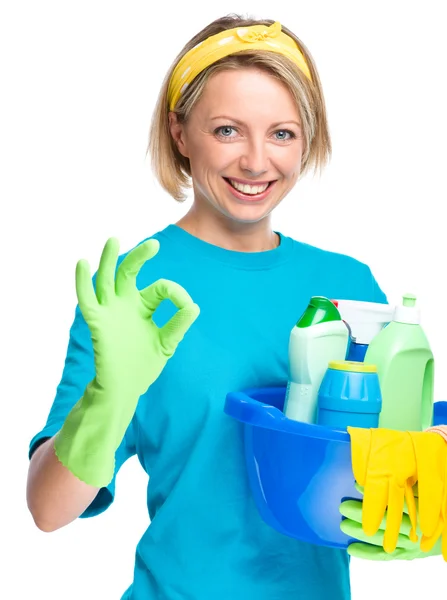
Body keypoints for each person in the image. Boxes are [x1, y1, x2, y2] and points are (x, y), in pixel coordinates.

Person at [26, 14, 416, 600]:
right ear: (180, 133)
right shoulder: (136, 288)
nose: (257, 162)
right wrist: (110, 397)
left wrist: (417, 506)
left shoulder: (348, 285)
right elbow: (48, 509)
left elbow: (389, 464)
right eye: (228, 130)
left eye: (282, 133)